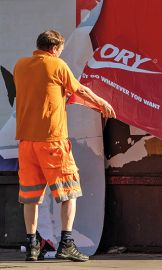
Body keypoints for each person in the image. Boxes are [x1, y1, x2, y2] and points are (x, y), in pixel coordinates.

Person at [13, 30, 116, 262]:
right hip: (52, 141)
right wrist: (101, 103)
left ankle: (32, 246)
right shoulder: (57, 65)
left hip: (26, 144)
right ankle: (67, 244)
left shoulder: (20, 65)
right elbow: (79, 90)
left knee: (31, 197)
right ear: (55, 49)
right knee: (70, 193)